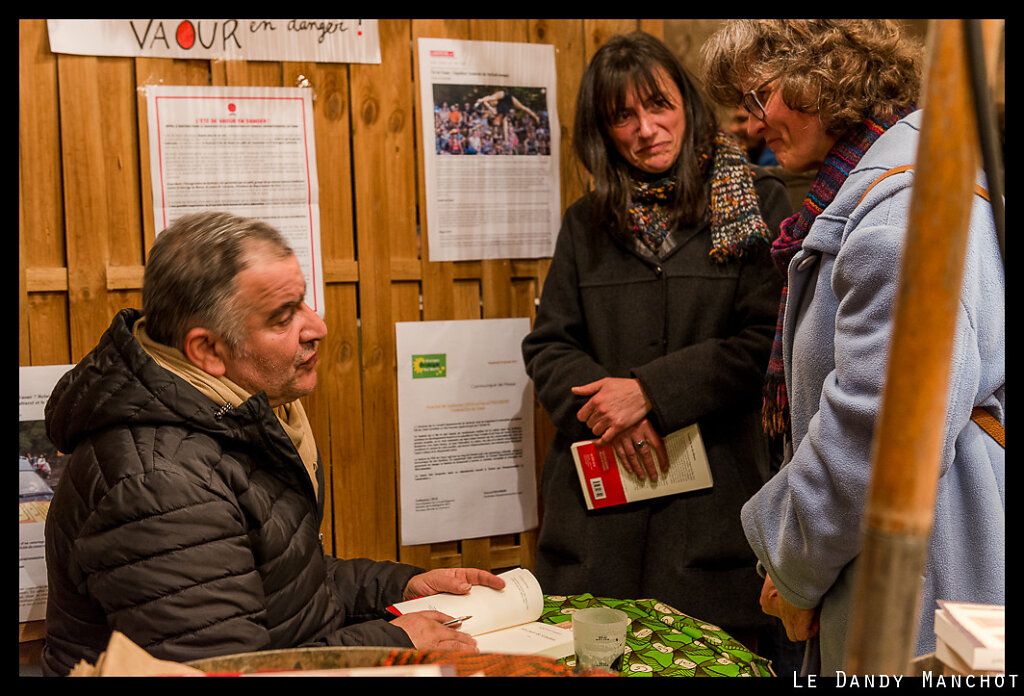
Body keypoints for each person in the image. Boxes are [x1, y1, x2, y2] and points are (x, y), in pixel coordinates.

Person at [41, 211, 505, 676]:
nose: (317, 326)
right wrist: (394, 642)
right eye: (283, 317)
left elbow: (283, 582)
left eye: (303, 302)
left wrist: (399, 588)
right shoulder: (161, 482)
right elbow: (229, 669)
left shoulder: (230, 414)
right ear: (208, 351)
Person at [701, 19, 1005, 675]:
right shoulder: (890, 181)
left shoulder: (898, 211)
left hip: (918, 583)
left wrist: (792, 562)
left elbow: (879, 427)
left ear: (823, 77)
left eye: (764, 95)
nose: (755, 121)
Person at [521, 31, 792, 662]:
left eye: (659, 105)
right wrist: (609, 412)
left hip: (714, 521)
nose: (646, 129)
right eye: (623, 116)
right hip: (600, 527)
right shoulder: (585, 224)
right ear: (603, 131)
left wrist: (648, 394)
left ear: (687, 106)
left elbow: (764, 343)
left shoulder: (755, 202)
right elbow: (550, 345)